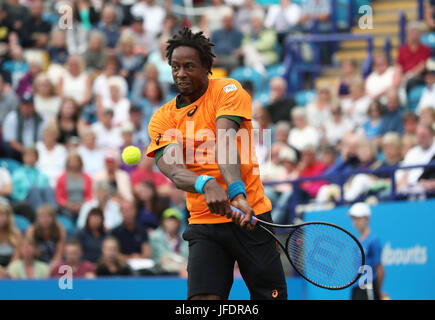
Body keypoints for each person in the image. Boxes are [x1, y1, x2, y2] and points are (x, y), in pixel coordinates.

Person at [146, 28, 287, 300]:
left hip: (250, 215)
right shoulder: (162, 118)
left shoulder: (228, 90)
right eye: (175, 67)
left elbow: (224, 142)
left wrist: (236, 193)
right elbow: (174, 170)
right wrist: (205, 183)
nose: (181, 73)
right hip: (204, 224)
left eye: (189, 66)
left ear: (207, 67)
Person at [348, 203, 385, 300]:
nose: (355, 222)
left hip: (368, 287)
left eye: (358, 218)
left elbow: (380, 269)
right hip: (356, 287)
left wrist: (378, 290)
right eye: (353, 218)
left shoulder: (373, 240)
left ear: (367, 219)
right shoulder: (358, 242)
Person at [2, 92, 44, 161]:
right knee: (8, 147)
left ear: (33, 106)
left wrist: (32, 151)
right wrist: (25, 151)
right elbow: (10, 140)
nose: (26, 107)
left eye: (29, 105)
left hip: (35, 150)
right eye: (24, 105)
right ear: (20, 105)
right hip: (18, 151)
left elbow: (41, 139)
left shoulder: (39, 118)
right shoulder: (12, 117)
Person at [149, 208, 188, 276]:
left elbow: (186, 258)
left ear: (179, 223)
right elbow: (161, 258)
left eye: (174, 220)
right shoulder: (155, 237)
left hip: (181, 271)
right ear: (163, 222)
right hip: (161, 272)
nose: (171, 223)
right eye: (169, 220)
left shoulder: (184, 238)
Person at [55, 152, 93, 222]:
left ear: (80, 162)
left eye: (76, 161)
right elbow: (59, 197)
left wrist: (82, 205)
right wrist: (69, 206)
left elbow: (90, 195)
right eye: (71, 161)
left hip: (84, 205)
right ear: (68, 163)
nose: (74, 163)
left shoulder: (87, 178)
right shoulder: (61, 178)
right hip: (67, 207)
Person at [26, 204, 66, 268]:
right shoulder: (32, 230)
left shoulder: (60, 230)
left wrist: (53, 263)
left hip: (55, 261)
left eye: (48, 217)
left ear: (53, 218)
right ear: (38, 218)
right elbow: (30, 249)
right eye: (42, 217)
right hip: (37, 260)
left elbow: (60, 252)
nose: (45, 219)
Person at [396, 21, 431, 93]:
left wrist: (408, 76)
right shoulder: (402, 49)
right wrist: (399, 77)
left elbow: (422, 65)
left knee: (411, 81)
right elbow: (399, 66)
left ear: (420, 34)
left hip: (418, 76)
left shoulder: (425, 48)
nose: (414, 35)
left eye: (416, 33)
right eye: (412, 32)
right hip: (404, 76)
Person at [36, 124, 68, 188]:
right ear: (43, 135)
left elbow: (65, 168)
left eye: (52, 134)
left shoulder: (62, 150)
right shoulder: (37, 147)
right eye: (47, 134)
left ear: (56, 136)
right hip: (40, 182)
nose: (49, 136)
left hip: (59, 182)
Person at [0, 203, 22, 277]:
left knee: (16, 268)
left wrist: (9, 269)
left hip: (12, 265)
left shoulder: (16, 233)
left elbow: (17, 254)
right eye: (0, 215)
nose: (2, 218)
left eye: (4, 215)